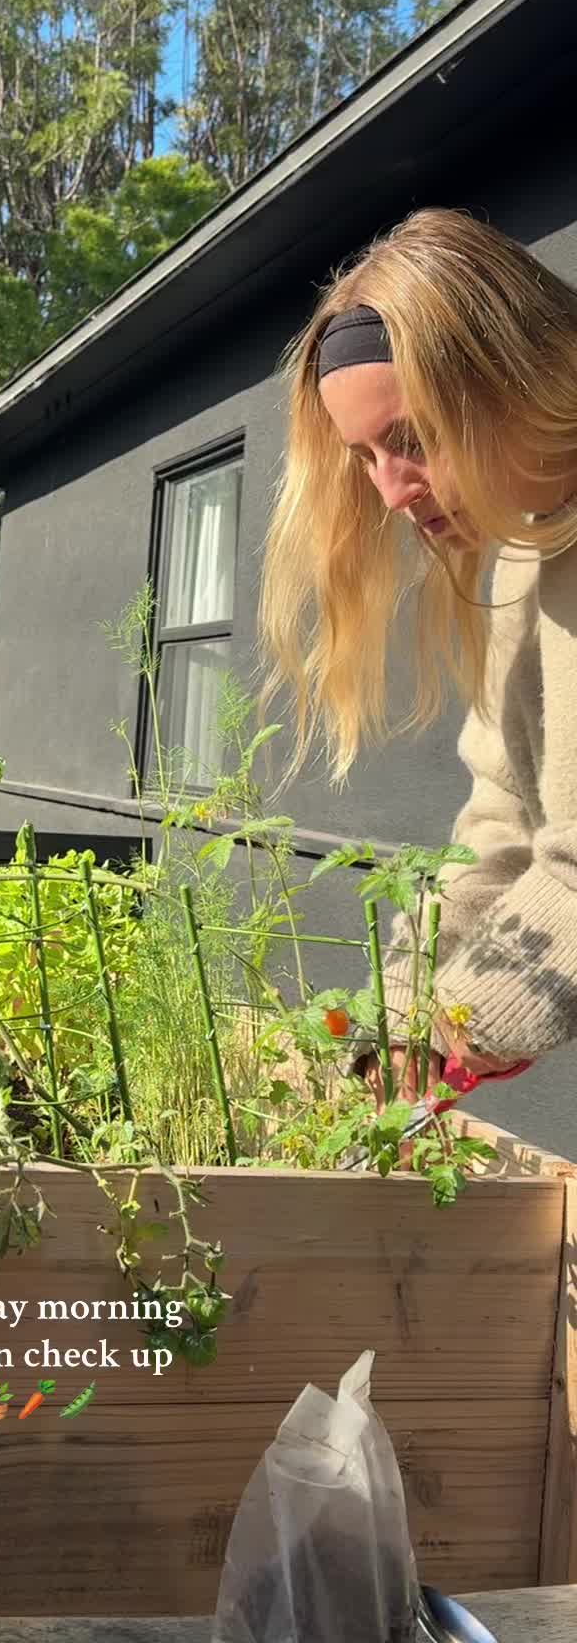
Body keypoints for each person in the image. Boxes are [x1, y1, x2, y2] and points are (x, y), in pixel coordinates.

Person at [259, 207, 577, 1111]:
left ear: (524, 377)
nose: (391, 491)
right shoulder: (523, 553)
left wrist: (450, 1034)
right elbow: (501, 824)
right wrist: (394, 1016)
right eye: (364, 455)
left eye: (411, 439)